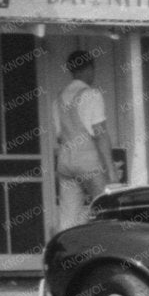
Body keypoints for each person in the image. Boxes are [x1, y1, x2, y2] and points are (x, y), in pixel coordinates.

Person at [54, 49, 120, 228]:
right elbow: (100, 134)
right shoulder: (92, 94)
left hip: (65, 162)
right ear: (89, 68)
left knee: (68, 219)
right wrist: (111, 169)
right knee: (104, 209)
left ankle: (65, 244)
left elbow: (59, 136)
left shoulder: (59, 98)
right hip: (88, 163)